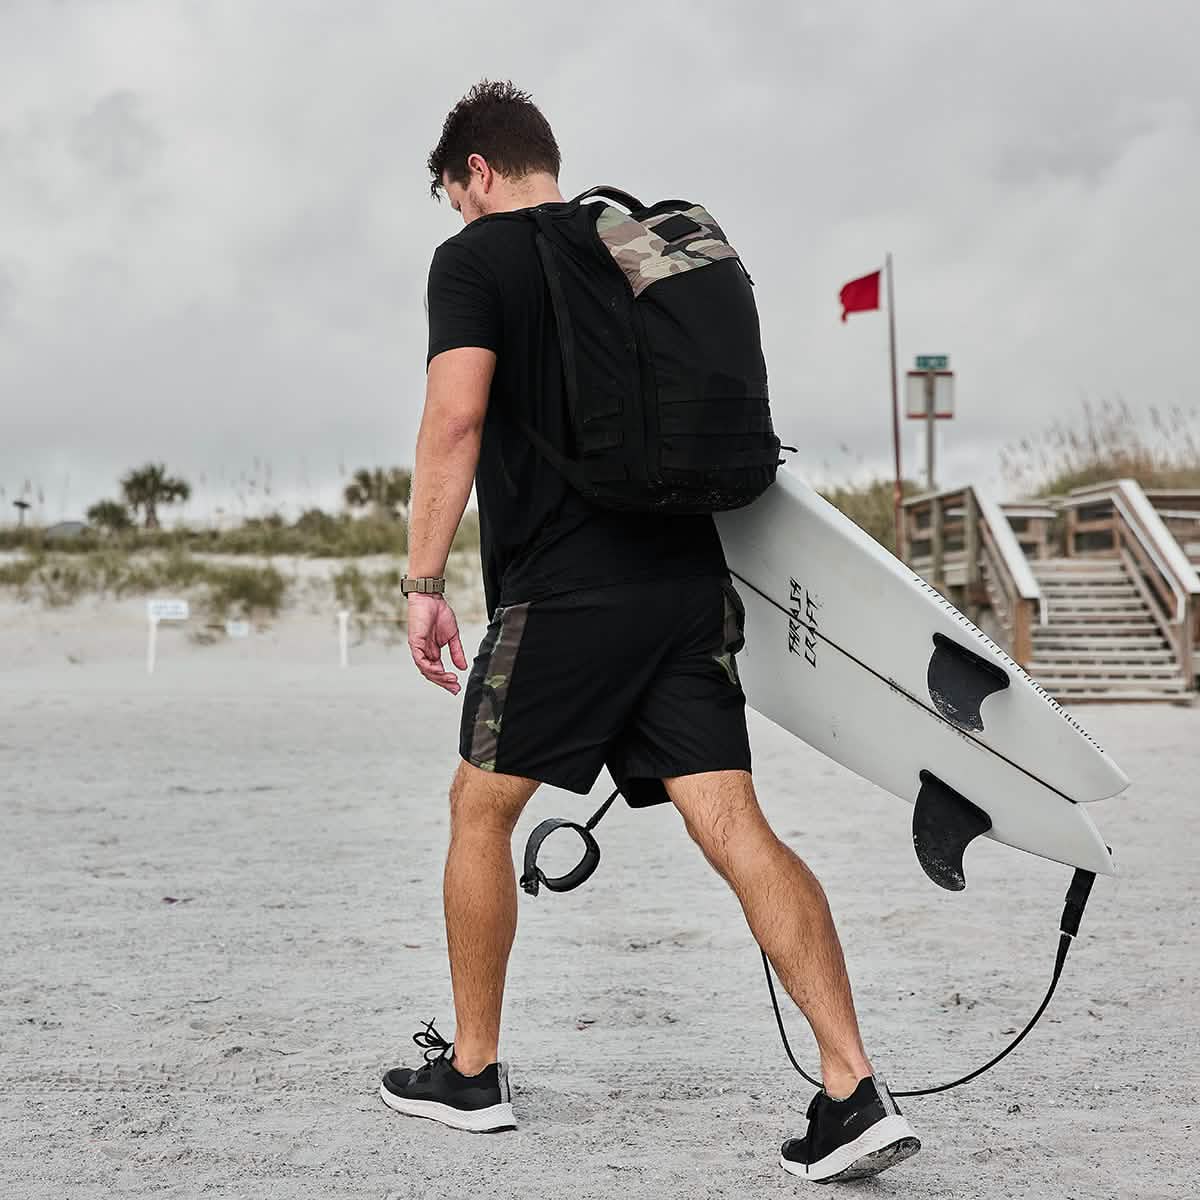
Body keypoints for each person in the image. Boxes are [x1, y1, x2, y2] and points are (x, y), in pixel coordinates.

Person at [379, 79, 921, 1183]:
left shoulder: (477, 259)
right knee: (733, 823)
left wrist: (422, 577)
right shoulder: (639, 250)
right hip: (687, 581)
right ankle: (852, 1088)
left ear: (474, 172)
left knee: (477, 809)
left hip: (567, 592)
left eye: (452, 196)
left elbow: (457, 417)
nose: (457, 216)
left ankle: (472, 1074)